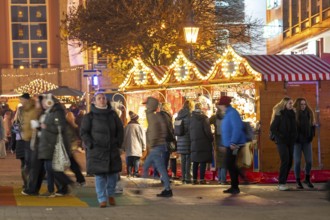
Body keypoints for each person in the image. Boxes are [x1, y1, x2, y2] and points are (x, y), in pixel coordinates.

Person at [80, 92, 124, 208]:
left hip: (111, 149)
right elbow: (84, 132)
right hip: (97, 150)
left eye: (104, 98)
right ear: (94, 101)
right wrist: (90, 144)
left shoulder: (113, 115)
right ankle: (102, 199)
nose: (102, 100)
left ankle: (110, 194)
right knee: (100, 175)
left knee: (113, 175)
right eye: (99, 98)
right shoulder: (89, 116)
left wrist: (118, 143)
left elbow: (120, 130)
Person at [37, 94, 74, 197]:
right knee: (49, 169)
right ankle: (59, 188)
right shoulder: (48, 113)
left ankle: (61, 186)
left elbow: (59, 128)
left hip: (52, 145)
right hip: (47, 145)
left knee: (51, 169)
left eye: (45, 101)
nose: (43, 103)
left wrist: (46, 126)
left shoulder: (56, 113)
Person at [141, 96, 173, 197]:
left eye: (147, 105)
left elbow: (154, 132)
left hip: (156, 146)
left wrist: (153, 143)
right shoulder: (158, 116)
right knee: (161, 167)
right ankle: (167, 189)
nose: (145, 107)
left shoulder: (152, 116)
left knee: (147, 166)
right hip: (159, 145)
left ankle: (141, 188)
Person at [217, 96, 246, 194]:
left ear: (223, 105)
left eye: (219, 104)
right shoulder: (229, 113)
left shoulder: (232, 113)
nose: (218, 106)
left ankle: (237, 183)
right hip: (230, 143)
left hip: (234, 144)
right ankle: (236, 183)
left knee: (230, 164)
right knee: (230, 164)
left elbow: (237, 128)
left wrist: (233, 142)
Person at [270, 97, 297, 191]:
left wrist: (295, 136)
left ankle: (284, 182)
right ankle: (281, 183)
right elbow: (273, 128)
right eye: (290, 103)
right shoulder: (279, 114)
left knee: (290, 161)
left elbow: (294, 127)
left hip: (291, 140)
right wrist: (280, 135)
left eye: (292, 103)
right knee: (285, 160)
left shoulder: (293, 114)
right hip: (281, 141)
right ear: (284, 104)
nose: (291, 105)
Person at [293, 98, 315, 189]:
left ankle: (307, 178)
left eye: (304, 104)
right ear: (298, 105)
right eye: (301, 104)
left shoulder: (309, 114)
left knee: (309, 161)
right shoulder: (294, 114)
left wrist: (311, 136)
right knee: (297, 162)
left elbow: (313, 126)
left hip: (307, 141)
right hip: (297, 142)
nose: (303, 106)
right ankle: (298, 180)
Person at [190, 102, 213, 185]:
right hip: (204, 142)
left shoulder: (191, 119)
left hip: (194, 142)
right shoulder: (204, 118)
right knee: (202, 161)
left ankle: (194, 179)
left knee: (195, 161)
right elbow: (208, 131)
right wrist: (211, 139)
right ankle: (202, 179)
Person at [122, 111, 146, 177]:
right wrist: (144, 147)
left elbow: (124, 137)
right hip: (137, 146)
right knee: (136, 160)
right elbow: (142, 138)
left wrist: (123, 147)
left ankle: (129, 173)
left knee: (129, 160)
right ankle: (135, 173)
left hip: (128, 147)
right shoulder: (139, 127)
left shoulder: (126, 127)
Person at [176, 100, 194, 184]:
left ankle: (183, 177)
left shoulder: (178, 115)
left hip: (180, 139)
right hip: (188, 139)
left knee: (183, 159)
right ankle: (188, 177)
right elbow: (192, 128)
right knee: (189, 159)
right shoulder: (190, 115)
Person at [66, 111, 86, 186]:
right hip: (71, 146)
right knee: (72, 163)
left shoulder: (68, 126)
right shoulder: (74, 126)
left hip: (68, 146)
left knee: (71, 163)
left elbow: (69, 137)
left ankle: (77, 180)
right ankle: (80, 179)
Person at [210, 107, 228, 184]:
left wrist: (211, 134)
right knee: (224, 160)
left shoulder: (214, 117)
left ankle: (220, 178)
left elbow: (207, 122)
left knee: (219, 160)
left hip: (217, 139)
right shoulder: (228, 116)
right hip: (226, 139)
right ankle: (222, 179)